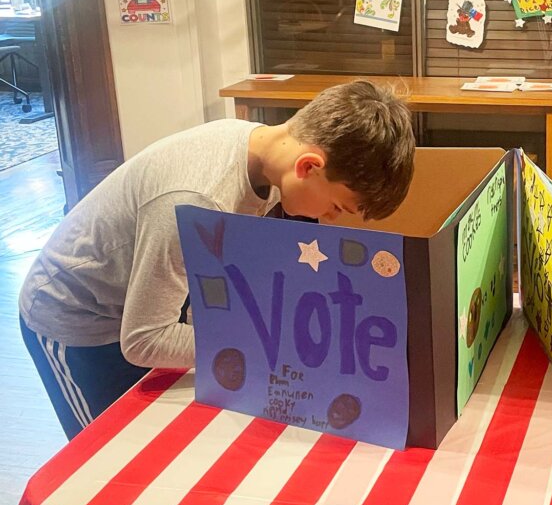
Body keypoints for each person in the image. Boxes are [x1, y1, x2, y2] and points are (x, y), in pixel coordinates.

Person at [19, 80, 416, 438]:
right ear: (309, 166)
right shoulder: (196, 198)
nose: (332, 221)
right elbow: (142, 340)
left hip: (151, 306)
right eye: (337, 207)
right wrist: (265, 343)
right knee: (102, 461)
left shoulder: (267, 154)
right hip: (76, 318)